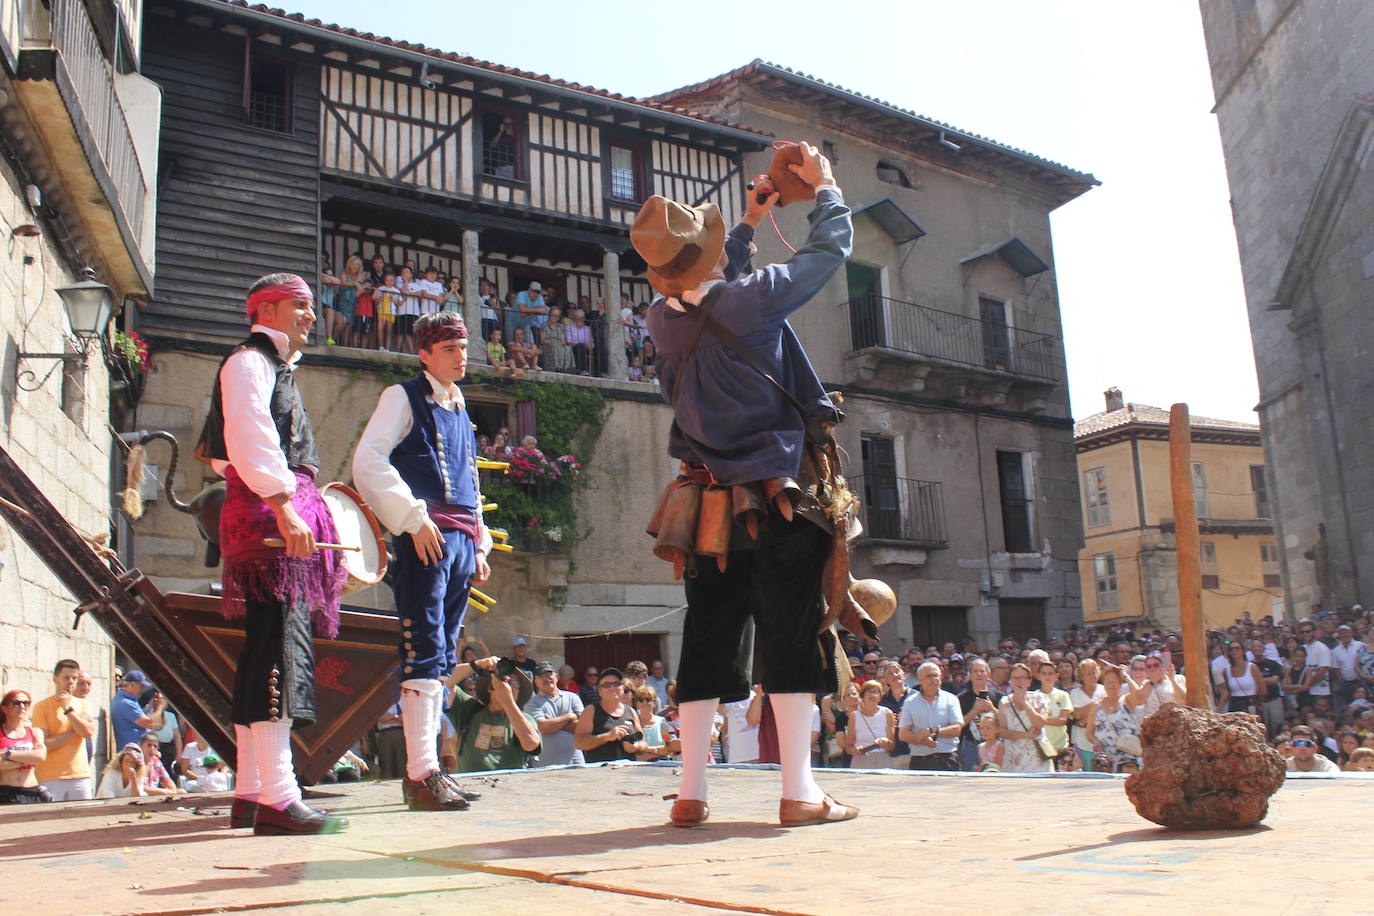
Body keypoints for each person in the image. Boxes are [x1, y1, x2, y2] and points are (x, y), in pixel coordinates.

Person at [637, 141, 855, 829]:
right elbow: (828, 254)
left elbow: (702, 286)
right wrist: (825, 189)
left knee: (707, 639)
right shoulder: (752, 302)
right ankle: (799, 793)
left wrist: (746, 226)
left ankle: (690, 793)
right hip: (775, 494)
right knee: (790, 635)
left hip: (702, 503)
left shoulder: (659, 321)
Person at [193, 272, 349, 836]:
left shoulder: (269, 366)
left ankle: (252, 792)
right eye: (301, 306)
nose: (312, 315)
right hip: (268, 514)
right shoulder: (250, 362)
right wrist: (285, 505)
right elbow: (251, 437)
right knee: (279, 645)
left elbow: (220, 455)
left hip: (266, 507)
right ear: (268, 309)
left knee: (264, 644)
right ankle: (279, 798)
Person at [353, 310, 494, 812]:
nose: (461, 356)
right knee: (423, 648)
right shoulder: (402, 395)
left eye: (463, 347)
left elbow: (471, 482)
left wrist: (480, 544)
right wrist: (412, 519)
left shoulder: (459, 405)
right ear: (425, 353)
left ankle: (430, 769)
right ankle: (419, 775)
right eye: (451, 349)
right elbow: (368, 460)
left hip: (457, 542)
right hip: (425, 538)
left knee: (442, 656)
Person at [446, 656, 541, 772]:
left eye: (514, 684)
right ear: (490, 687)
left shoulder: (525, 719)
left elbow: (531, 745)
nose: (509, 687)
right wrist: (477, 665)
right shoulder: (469, 709)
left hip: (510, 788)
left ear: (519, 693)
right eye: (506, 682)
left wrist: (508, 702)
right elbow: (444, 683)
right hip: (470, 786)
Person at [32, 659, 95, 801]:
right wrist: (75, 730)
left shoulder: (84, 704)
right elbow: (44, 744)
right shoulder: (41, 707)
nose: (71, 682)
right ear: (55, 679)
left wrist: (68, 710)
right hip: (51, 776)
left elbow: (87, 733)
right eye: (66, 677)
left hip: (80, 774)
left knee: (85, 818)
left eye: (74, 678)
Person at [898, 662, 963, 771]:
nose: (933, 679)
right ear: (919, 679)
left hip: (946, 758)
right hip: (920, 761)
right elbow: (903, 734)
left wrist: (933, 731)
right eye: (929, 676)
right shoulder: (910, 702)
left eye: (935, 675)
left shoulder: (951, 699)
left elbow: (957, 729)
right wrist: (920, 740)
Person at [575, 668, 647, 763]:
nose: (612, 688)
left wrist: (637, 747)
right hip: (600, 772)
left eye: (617, 684)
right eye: (606, 685)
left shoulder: (631, 711)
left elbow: (642, 740)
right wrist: (608, 736)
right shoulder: (591, 711)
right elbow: (579, 743)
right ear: (599, 691)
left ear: (623, 688)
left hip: (628, 772)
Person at [525, 661, 584, 767]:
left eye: (549, 674)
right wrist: (570, 716)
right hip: (546, 764)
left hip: (575, 760)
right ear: (536, 681)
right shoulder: (532, 703)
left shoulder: (572, 697)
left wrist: (553, 722)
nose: (546, 678)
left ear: (556, 677)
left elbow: (582, 727)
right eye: (542, 676)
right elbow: (543, 727)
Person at [1086, 665, 1142, 773]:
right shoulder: (1096, 705)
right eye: (1108, 681)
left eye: (1114, 681)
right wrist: (1095, 741)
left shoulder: (1126, 700)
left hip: (1128, 758)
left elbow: (1138, 694)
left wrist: (1125, 676)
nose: (1111, 685)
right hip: (1106, 760)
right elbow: (1089, 732)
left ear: (1120, 683)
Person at [997, 663, 1051, 774]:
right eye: (1015, 678)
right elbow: (1002, 732)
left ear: (1029, 681)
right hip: (1014, 758)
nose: (1018, 681)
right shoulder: (1004, 702)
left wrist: (1025, 703)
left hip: (1037, 759)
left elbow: (1040, 724)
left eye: (1022, 678)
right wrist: (1025, 735)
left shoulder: (1040, 698)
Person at [957, 657, 1003, 771]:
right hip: (971, 744)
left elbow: (1005, 721)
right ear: (970, 675)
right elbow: (958, 725)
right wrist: (974, 712)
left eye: (982, 671)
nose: (979, 674)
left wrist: (992, 709)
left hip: (995, 745)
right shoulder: (961, 698)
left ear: (988, 674)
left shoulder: (999, 696)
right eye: (975, 671)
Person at [0, 690, 47, 804]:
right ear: (4, 708)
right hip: (7, 792)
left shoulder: (35, 732)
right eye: (16, 703)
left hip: (32, 791)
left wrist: (7, 754)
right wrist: (27, 760)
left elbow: (40, 756)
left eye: (26, 703)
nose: (22, 707)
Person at [840, 680, 894, 768]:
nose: (872, 695)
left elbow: (891, 746)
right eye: (869, 691)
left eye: (875, 692)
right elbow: (848, 747)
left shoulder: (887, 713)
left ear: (880, 697)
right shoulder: (854, 716)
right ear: (863, 696)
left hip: (882, 760)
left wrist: (886, 742)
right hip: (860, 760)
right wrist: (854, 750)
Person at [111, 671, 165, 752]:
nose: (142, 689)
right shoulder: (125, 703)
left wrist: (154, 707)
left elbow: (158, 725)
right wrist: (160, 706)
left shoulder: (130, 700)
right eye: (141, 686)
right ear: (132, 684)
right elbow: (149, 723)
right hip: (132, 752)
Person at [1068, 658, 1105, 772]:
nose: (1092, 676)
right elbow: (1077, 715)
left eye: (1094, 672)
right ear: (1081, 677)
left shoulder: (1104, 690)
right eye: (1088, 674)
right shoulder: (1074, 693)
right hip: (1081, 740)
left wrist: (1086, 717)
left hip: (1102, 739)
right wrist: (1096, 704)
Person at [1036, 661, 1073, 769]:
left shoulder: (1063, 695)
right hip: (1041, 746)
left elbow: (1063, 719)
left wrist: (1041, 719)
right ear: (1038, 676)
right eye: (1044, 673)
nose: (1047, 676)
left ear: (1056, 676)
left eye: (1050, 673)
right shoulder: (1033, 696)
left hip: (1060, 746)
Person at [876, 660, 911, 770]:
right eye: (890, 673)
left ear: (904, 674)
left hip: (914, 752)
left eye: (897, 671)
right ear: (886, 680)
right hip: (892, 754)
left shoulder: (917, 697)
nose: (895, 675)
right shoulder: (881, 701)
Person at [1217, 640, 1265, 714]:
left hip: (1251, 703)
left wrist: (1255, 702)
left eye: (1237, 648)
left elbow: (1263, 691)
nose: (1234, 651)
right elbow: (1226, 692)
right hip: (1235, 705)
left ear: (1243, 650)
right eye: (1231, 649)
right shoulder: (1226, 670)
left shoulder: (1252, 667)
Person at [137, 731, 183, 796]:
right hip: (140, 797)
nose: (152, 748)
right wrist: (163, 792)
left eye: (155, 746)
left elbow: (167, 781)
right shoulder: (136, 762)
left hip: (155, 797)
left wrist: (173, 792)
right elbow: (140, 787)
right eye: (149, 745)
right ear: (141, 746)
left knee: (182, 791)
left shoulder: (156, 762)